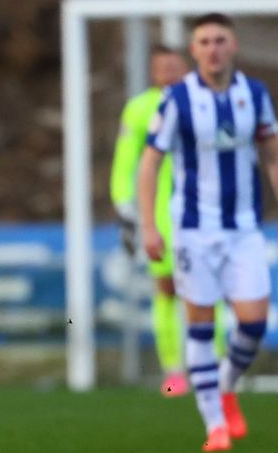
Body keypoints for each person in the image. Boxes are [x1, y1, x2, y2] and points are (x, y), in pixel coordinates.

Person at [138, 13, 278, 451]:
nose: (212, 48)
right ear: (194, 51)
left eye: (220, 40)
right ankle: (215, 427)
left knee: (254, 324)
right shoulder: (176, 99)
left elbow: (277, 156)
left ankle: (226, 384)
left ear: (233, 46)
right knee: (202, 327)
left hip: (245, 228)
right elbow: (149, 163)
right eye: (204, 41)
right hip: (192, 231)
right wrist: (149, 225)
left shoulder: (255, 94)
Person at [110, 45, 228, 397]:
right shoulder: (140, 108)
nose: (168, 72)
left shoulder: (206, 100)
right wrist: (124, 204)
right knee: (167, 290)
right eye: (161, 66)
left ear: (185, 67)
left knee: (209, 289)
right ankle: (174, 370)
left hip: (203, 212)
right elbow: (126, 159)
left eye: (174, 66)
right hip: (159, 214)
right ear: (152, 71)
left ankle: (216, 364)